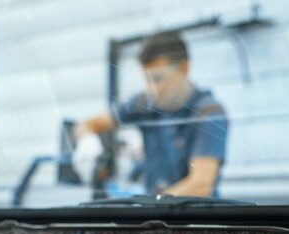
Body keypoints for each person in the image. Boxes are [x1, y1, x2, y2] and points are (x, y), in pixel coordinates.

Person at [73, 30, 228, 197]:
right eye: (147, 79)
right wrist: (87, 141)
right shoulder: (144, 103)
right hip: (152, 209)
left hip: (191, 213)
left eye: (159, 78)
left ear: (184, 69)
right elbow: (87, 125)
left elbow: (201, 186)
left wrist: (151, 204)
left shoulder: (209, 112)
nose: (152, 89)